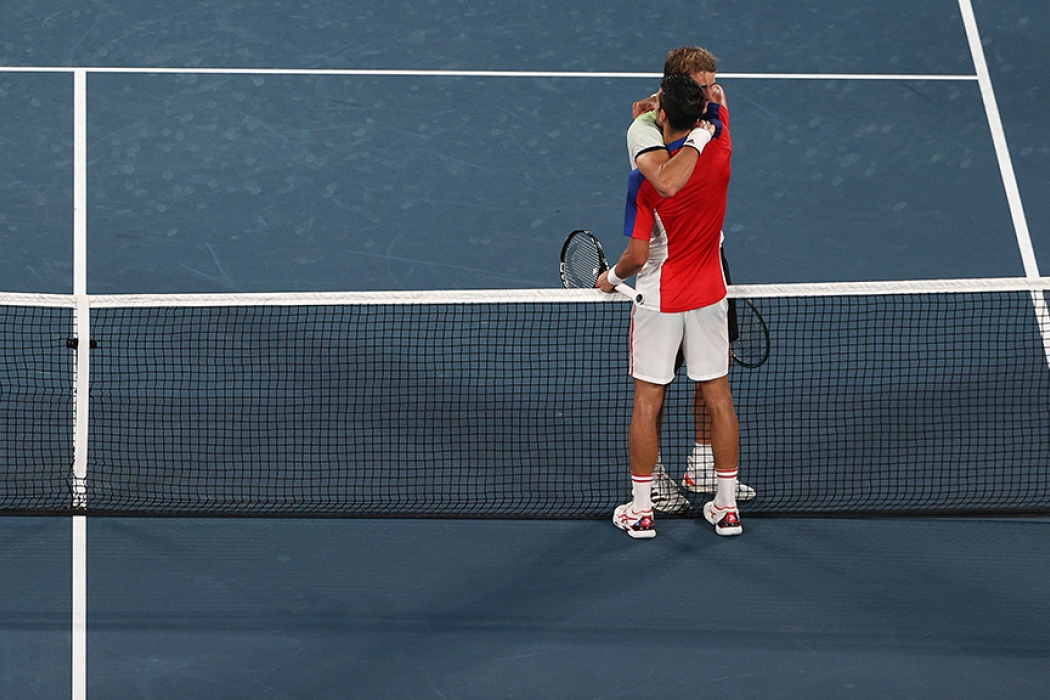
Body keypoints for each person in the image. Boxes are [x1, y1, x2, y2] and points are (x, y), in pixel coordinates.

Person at [599, 74, 742, 539]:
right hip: (711, 296)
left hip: (659, 301)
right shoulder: (720, 152)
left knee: (647, 402)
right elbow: (718, 107)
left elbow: (637, 256)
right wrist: (708, 108)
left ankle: (642, 510)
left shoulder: (643, 183)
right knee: (719, 398)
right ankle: (726, 506)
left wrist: (610, 279)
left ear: (661, 116)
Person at [625, 47, 755, 514]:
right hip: (667, 272)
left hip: (708, 261)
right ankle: (655, 480)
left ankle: (702, 462)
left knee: (713, 377)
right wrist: (700, 135)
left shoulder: (708, 111)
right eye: (702, 87)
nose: (712, 94)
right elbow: (666, 182)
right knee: (658, 390)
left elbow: (710, 103)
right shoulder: (646, 134)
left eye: (713, 85)